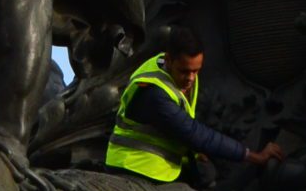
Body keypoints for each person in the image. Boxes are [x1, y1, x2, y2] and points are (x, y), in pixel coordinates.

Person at [105, 23, 283, 180]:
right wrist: (254, 156)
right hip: (135, 167)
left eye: (196, 71)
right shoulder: (154, 93)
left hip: (160, 163)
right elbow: (195, 134)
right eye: (184, 71)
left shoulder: (174, 69)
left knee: (206, 174)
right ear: (168, 60)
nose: (190, 78)